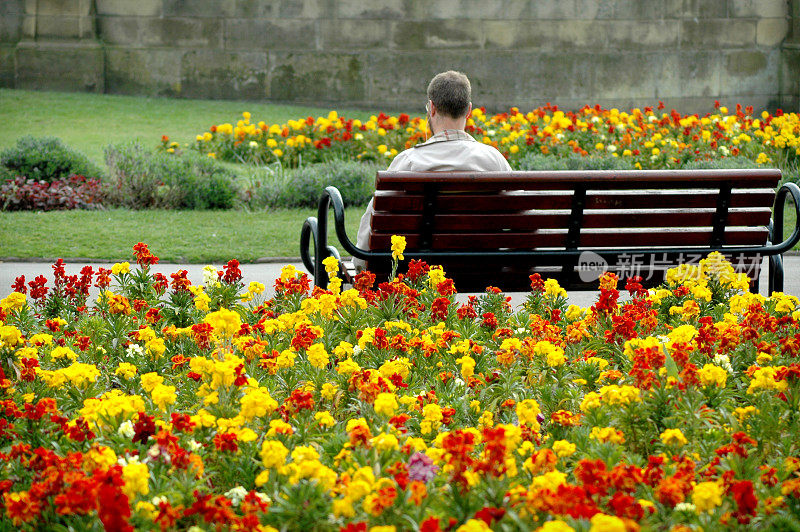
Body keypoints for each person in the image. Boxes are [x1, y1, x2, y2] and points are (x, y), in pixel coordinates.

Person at [355, 71, 511, 267]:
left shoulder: (408, 162)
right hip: (483, 269)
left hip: (418, 271)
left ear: (432, 108)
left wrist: (361, 265)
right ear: (469, 110)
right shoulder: (493, 160)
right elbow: (522, 220)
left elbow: (372, 224)